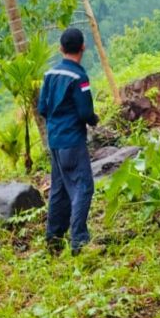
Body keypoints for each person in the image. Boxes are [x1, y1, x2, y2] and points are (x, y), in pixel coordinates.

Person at [37, 27, 99, 255]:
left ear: (61, 48)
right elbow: (85, 113)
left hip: (54, 142)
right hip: (73, 141)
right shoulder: (79, 77)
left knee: (60, 190)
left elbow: (42, 108)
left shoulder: (49, 75)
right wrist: (93, 119)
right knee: (83, 187)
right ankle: (79, 241)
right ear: (83, 47)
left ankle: (53, 238)